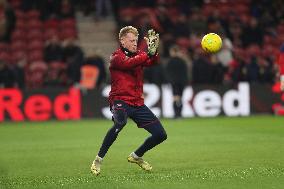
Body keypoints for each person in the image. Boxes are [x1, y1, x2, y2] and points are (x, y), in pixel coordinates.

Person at [91, 26, 167, 175]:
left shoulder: (139, 54)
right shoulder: (116, 57)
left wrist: (154, 51)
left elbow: (153, 62)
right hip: (120, 100)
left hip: (137, 103)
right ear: (122, 41)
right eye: (131, 41)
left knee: (160, 135)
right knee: (120, 123)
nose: (134, 43)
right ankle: (98, 160)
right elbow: (129, 63)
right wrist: (148, 53)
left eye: (136, 41)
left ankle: (136, 156)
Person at [165, 45, 189, 118]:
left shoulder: (170, 62)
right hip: (182, 82)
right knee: (180, 98)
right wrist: (185, 82)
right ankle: (180, 114)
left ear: (172, 52)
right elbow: (185, 73)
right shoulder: (182, 61)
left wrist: (169, 81)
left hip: (174, 83)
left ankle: (176, 114)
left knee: (175, 98)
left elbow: (167, 73)